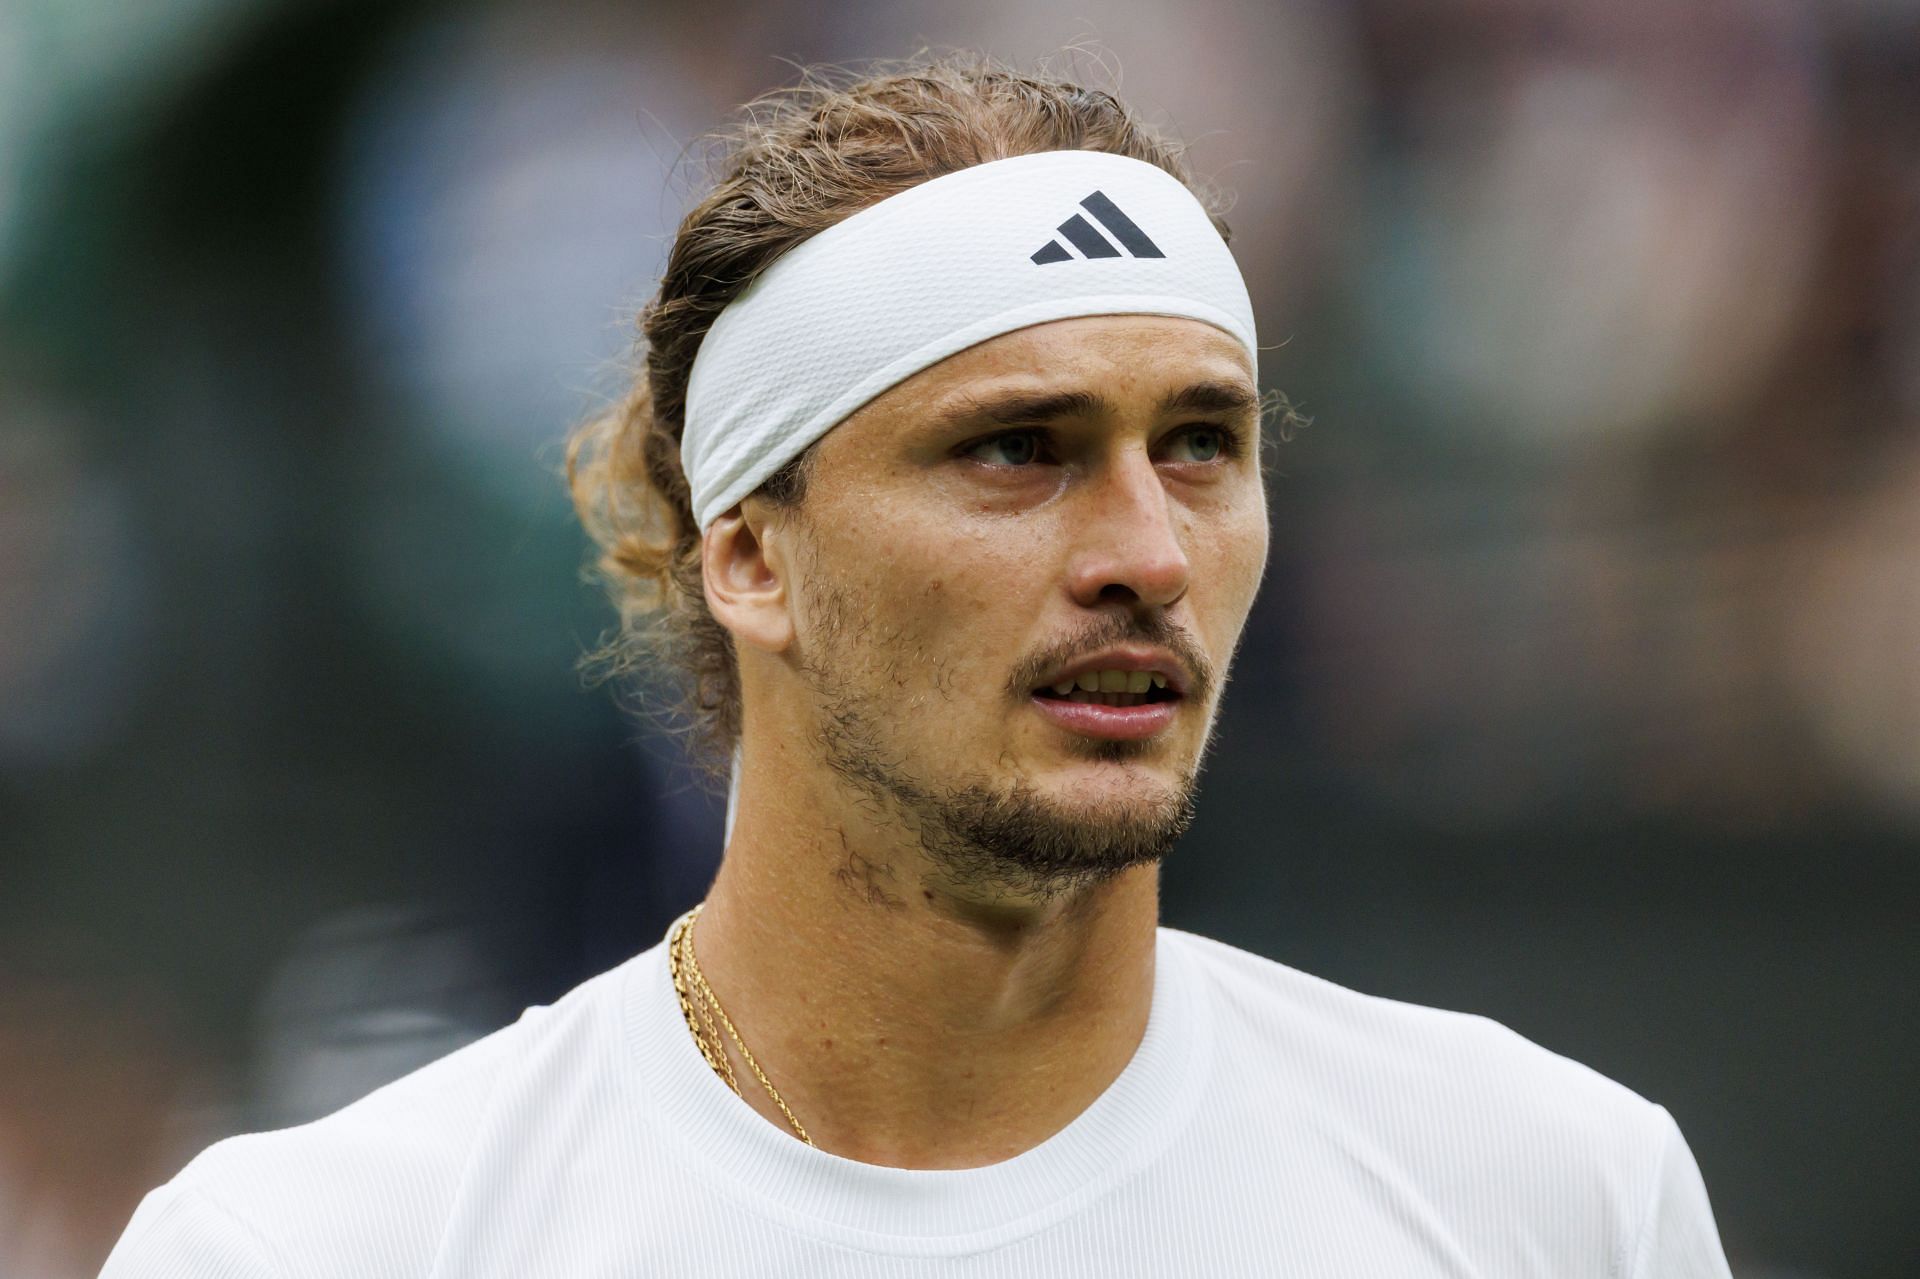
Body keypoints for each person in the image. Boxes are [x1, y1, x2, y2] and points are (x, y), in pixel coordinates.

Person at [101, 52, 1735, 1277]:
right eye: (1019, 449)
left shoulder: (1552, 1195)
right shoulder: (315, 1249)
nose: (1147, 553)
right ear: (748, 554)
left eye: (1201, 445)